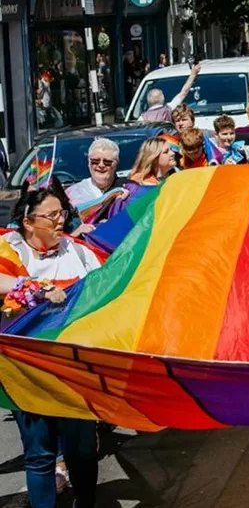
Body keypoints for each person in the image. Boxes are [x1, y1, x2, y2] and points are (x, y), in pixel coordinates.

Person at [6, 181, 103, 508]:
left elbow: (106, 292)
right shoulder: (11, 250)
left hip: (73, 368)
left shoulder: (79, 251)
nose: (60, 221)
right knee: (39, 453)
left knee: (82, 451)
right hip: (26, 369)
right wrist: (31, 288)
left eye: (61, 213)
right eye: (50, 216)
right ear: (28, 222)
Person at [66, 138, 122, 207]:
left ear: (116, 164)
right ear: (89, 163)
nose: (101, 165)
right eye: (95, 161)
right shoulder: (72, 194)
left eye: (107, 162)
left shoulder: (127, 189)